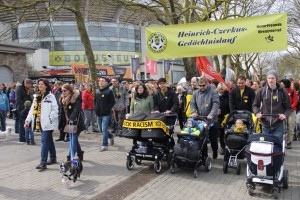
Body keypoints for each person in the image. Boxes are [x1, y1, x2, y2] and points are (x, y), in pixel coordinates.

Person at [24, 78, 58, 171]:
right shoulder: (36, 96)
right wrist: (27, 120)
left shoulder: (51, 96)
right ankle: (53, 157)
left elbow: (55, 109)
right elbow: (32, 109)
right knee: (49, 140)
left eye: (42, 84)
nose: (40, 86)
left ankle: (43, 163)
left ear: (46, 86)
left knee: (44, 142)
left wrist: (50, 118)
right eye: (39, 84)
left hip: (48, 123)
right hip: (39, 122)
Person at [253, 69, 292, 144]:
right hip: (265, 123)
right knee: (266, 147)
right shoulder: (261, 91)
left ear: (276, 79)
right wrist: (257, 113)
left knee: (277, 147)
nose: (270, 80)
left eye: (273, 78)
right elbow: (255, 105)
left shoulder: (282, 91)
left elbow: (288, 107)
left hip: (278, 124)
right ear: (267, 79)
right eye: (269, 78)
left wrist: (285, 115)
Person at [190, 76, 220, 159]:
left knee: (213, 138)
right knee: (202, 138)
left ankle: (215, 150)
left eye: (203, 85)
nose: (202, 87)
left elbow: (216, 104)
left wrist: (211, 114)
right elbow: (192, 104)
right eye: (200, 85)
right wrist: (193, 112)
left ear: (207, 84)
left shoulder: (213, 92)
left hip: (211, 119)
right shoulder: (196, 93)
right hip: (201, 119)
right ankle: (205, 155)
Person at [59, 83, 85, 161]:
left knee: (73, 139)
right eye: (62, 91)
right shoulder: (62, 99)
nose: (63, 92)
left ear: (70, 91)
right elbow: (62, 112)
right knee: (74, 139)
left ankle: (71, 157)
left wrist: (71, 118)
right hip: (68, 123)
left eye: (65, 90)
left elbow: (76, 109)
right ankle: (80, 152)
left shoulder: (76, 97)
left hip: (76, 122)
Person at [94, 77, 115, 152]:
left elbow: (112, 102)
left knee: (104, 129)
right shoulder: (96, 91)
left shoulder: (109, 91)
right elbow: (95, 100)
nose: (101, 82)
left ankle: (104, 145)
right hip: (98, 113)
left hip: (106, 113)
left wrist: (107, 109)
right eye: (100, 81)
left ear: (106, 83)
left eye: (102, 81)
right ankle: (111, 136)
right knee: (101, 129)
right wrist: (95, 108)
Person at [280, 79, 298, 149]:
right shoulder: (280, 91)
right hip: (282, 111)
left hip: (291, 111)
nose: (281, 84)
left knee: (290, 126)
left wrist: (290, 108)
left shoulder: (293, 91)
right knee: (281, 127)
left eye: (282, 83)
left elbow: (295, 101)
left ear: (285, 84)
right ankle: (281, 141)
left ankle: (289, 142)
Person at [16, 79, 33, 143]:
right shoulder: (19, 88)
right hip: (21, 108)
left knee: (26, 123)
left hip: (27, 107)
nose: (30, 87)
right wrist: (24, 108)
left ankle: (26, 137)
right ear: (26, 84)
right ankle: (21, 138)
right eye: (30, 86)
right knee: (22, 123)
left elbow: (28, 97)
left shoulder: (25, 89)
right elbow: (18, 99)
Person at [216, 82, 230, 155]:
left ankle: (228, 147)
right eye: (219, 89)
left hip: (226, 116)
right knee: (220, 134)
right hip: (218, 118)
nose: (221, 91)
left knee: (227, 133)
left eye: (222, 89)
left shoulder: (228, 96)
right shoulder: (215, 96)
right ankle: (222, 147)